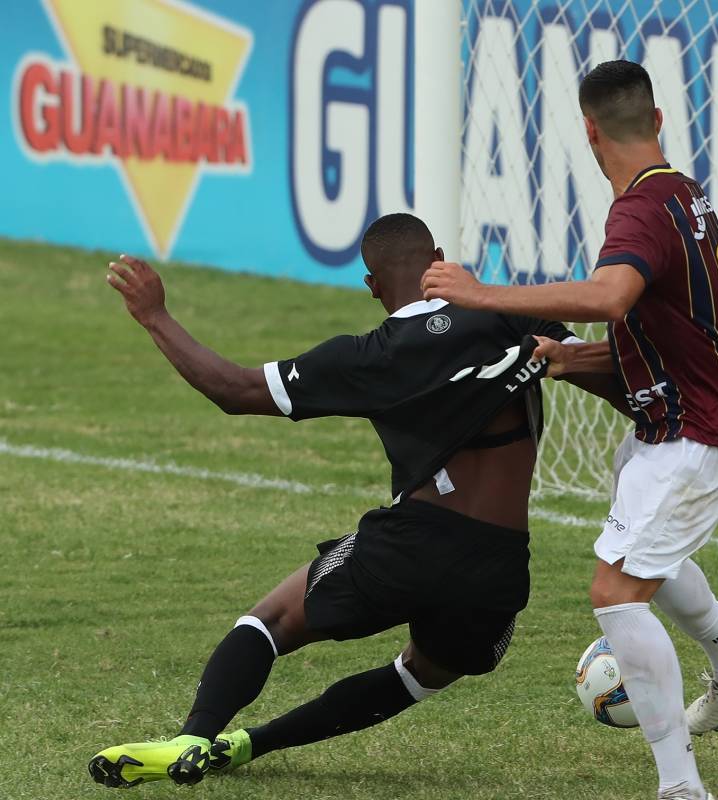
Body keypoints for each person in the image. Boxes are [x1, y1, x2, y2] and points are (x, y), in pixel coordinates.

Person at [88, 213, 596, 788]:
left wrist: (154, 316)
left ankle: (197, 736)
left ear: (371, 285)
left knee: (268, 621)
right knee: (421, 675)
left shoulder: (365, 357)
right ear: (441, 259)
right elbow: (602, 366)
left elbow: (233, 389)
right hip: (499, 568)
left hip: (411, 544)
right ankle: (250, 746)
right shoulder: (508, 311)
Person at [422, 60, 718, 800]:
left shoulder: (638, 211)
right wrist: (570, 358)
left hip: (701, 429)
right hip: (688, 417)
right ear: (657, 120)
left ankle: (682, 788)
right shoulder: (682, 192)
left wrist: (480, 292)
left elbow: (613, 296)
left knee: (617, 590)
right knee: (644, 550)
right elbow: (669, 324)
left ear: (588, 131)